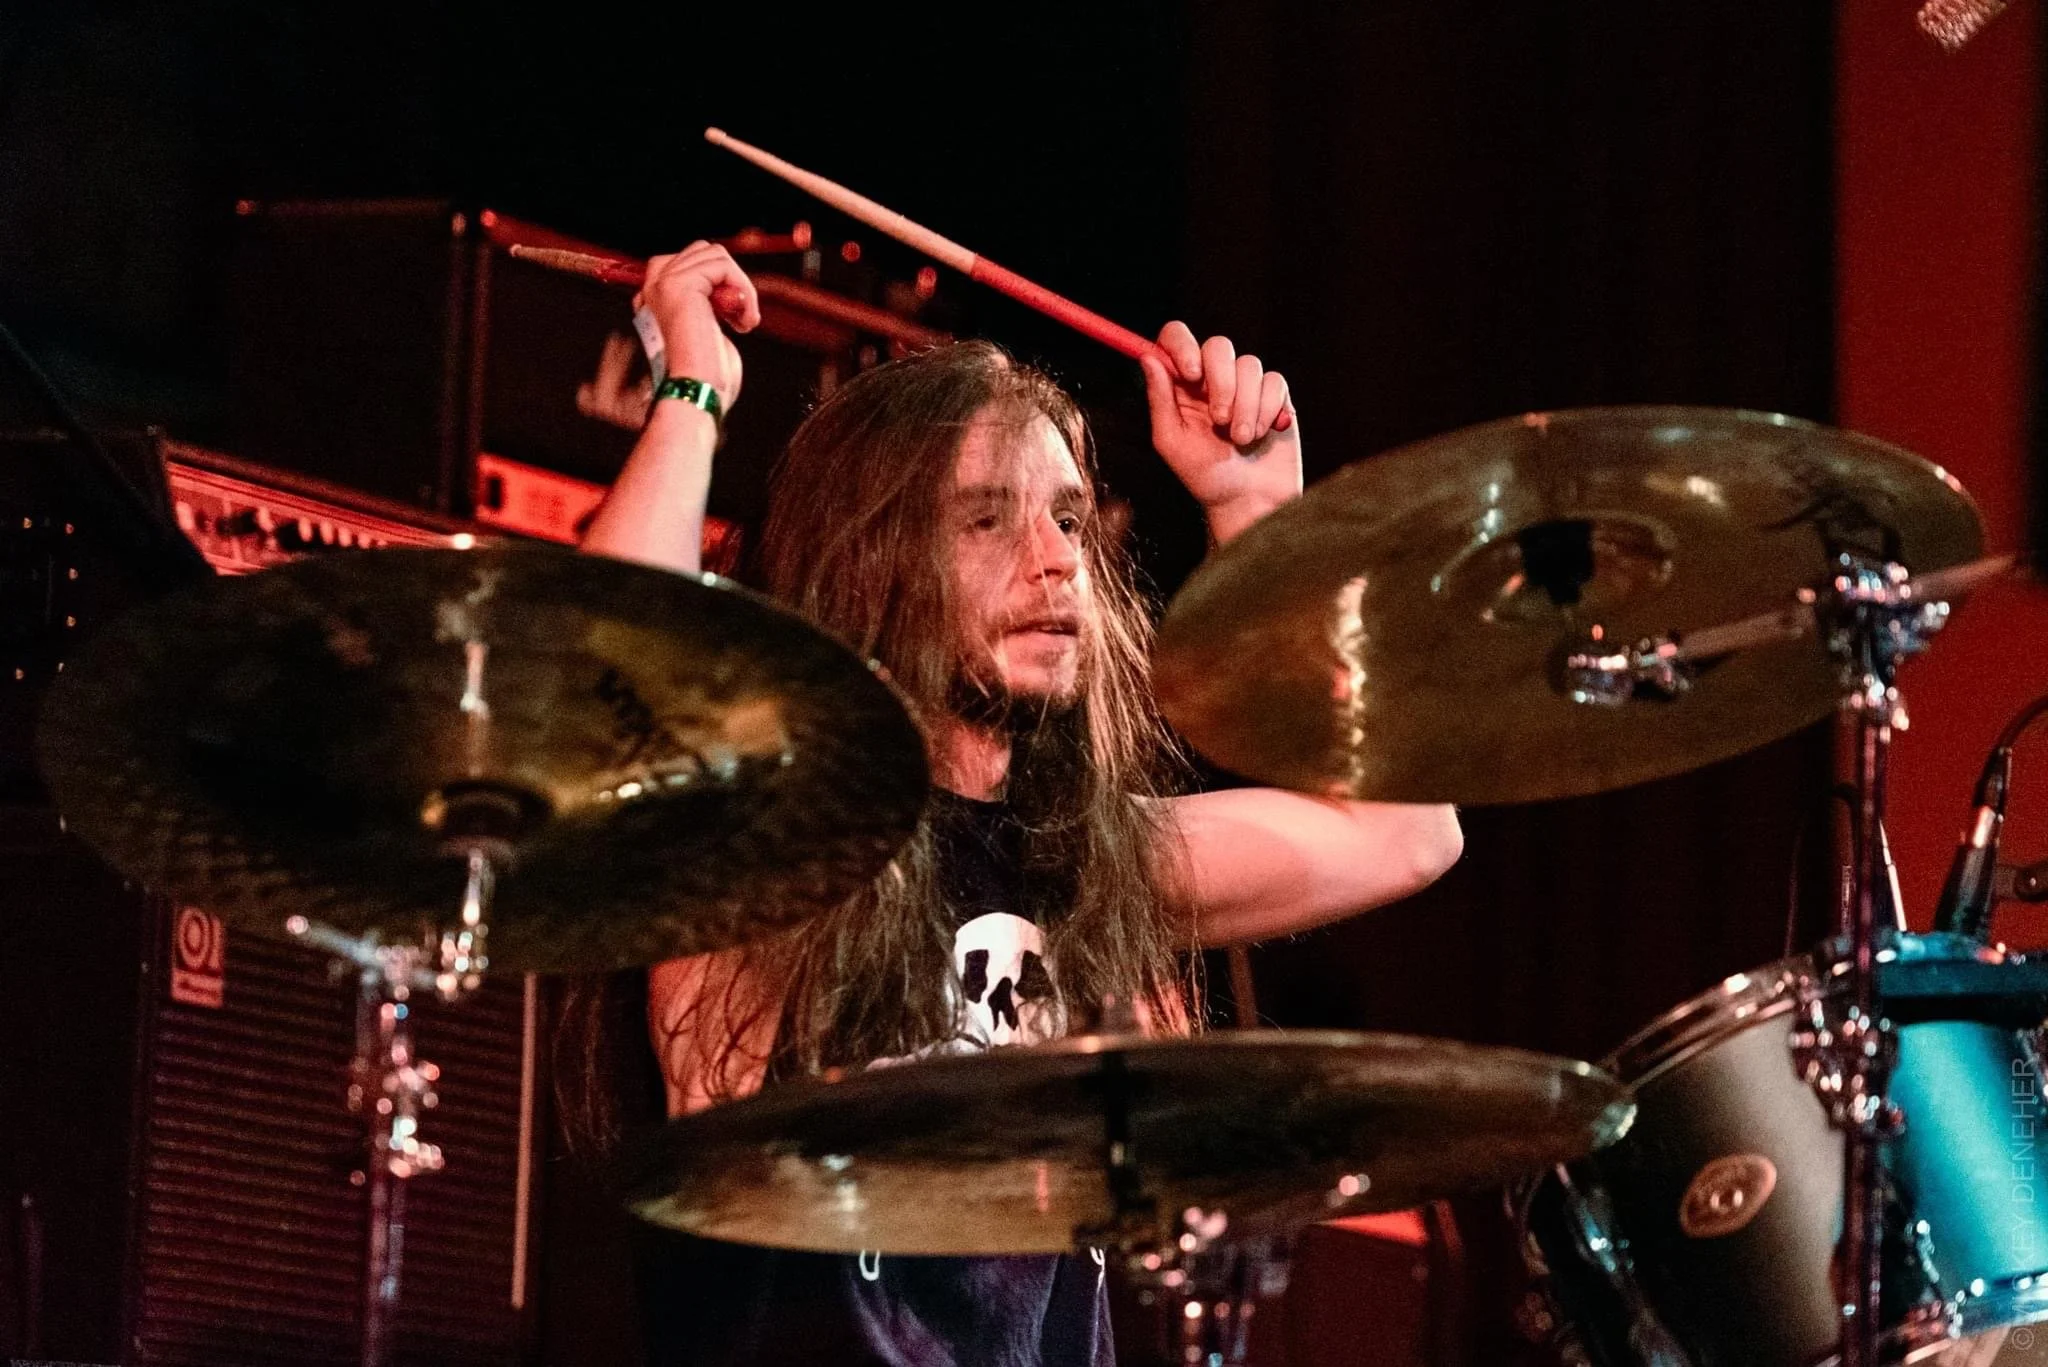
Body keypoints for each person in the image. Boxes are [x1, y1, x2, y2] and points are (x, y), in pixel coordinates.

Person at [578, 241, 1464, 1367]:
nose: (1056, 561)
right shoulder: (767, 841)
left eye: (1069, 518)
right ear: (871, 561)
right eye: (988, 519)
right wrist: (693, 393)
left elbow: (1405, 828)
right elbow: (610, 678)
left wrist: (1260, 515)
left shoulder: (1091, 862)